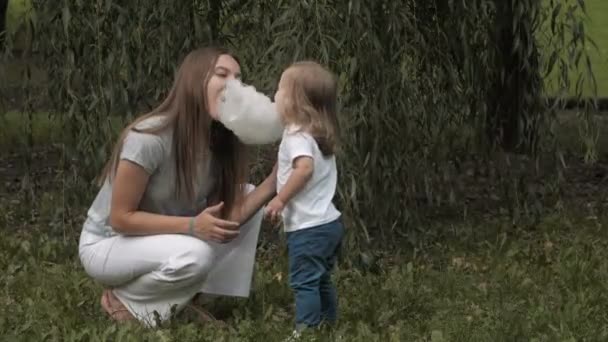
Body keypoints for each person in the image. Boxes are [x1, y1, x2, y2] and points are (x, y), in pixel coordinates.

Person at [77, 46, 277, 327]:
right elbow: (120, 219)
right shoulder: (149, 138)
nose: (235, 85)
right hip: (109, 244)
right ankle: (127, 301)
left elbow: (224, 221)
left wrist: (273, 183)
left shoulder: (219, 142)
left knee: (246, 193)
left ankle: (185, 300)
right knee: (195, 256)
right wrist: (193, 227)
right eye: (222, 74)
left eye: (239, 78)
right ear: (194, 82)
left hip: (160, 238)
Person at [265, 61, 345, 336]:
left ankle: (306, 331)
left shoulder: (296, 135)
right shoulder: (317, 135)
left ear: (295, 101)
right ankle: (329, 324)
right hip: (328, 224)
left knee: (304, 282)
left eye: (280, 89)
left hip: (309, 228)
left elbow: (304, 169)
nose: (274, 95)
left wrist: (280, 200)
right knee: (321, 279)